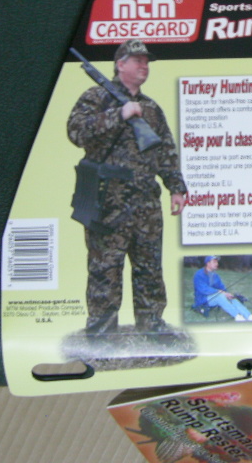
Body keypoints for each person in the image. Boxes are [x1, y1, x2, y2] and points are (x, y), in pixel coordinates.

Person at [67, 39, 188, 337]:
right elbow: (75, 132)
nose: (144, 66)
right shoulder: (96, 97)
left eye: (146, 61)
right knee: (105, 270)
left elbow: (165, 150)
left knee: (150, 268)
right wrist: (118, 115)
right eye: (137, 60)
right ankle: (101, 333)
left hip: (146, 204)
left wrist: (176, 187)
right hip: (108, 202)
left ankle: (152, 327)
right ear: (120, 64)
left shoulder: (152, 108)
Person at [193, 256, 252, 321]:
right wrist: (220, 292)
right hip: (203, 299)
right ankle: (237, 316)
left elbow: (221, 287)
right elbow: (204, 289)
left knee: (231, 297)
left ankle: (250, 316)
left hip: (215, 295)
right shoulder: (199, 274)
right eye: (214, 262)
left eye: (217, 262)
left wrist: (227, 294)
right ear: (208, 263)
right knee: (220, 296)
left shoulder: (215, 275)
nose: (217, 264)